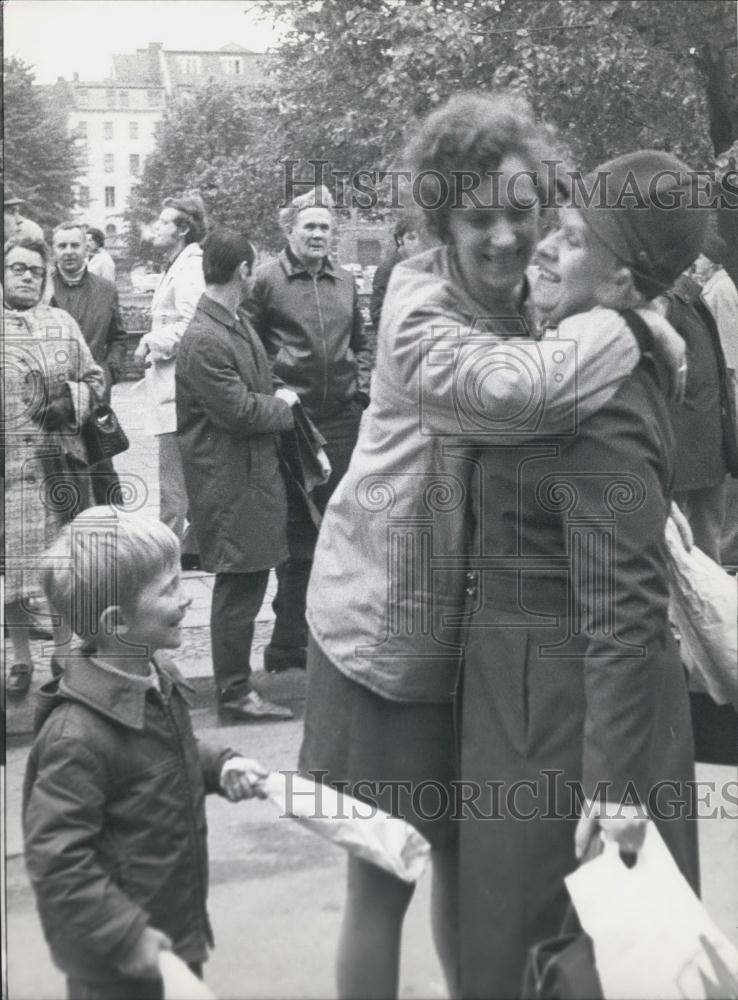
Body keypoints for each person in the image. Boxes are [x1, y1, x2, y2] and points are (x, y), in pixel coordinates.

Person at [299, 94, 688, 999]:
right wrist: (635, 324)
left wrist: (634, 310)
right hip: (383, 637)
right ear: (441, 220)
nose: (509, 237)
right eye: (480, 217)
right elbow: (513, 393)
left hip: (469, 642)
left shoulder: (528, 300)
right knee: (384, 874)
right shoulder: (416, 308)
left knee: (464, 861)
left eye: (525, 211)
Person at [458, 150, 706, 998]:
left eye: (568, 237)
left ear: (624, 278)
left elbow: (625, 611)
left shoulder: (599, 410)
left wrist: (614, 789)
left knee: (575, 958)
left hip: (565, 729)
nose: (543, 249)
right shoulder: (586, 354)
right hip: (540, 701)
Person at [23, 507, 269, 1000]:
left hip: (173, 929)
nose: (186, 599)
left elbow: (169, 753)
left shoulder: (156, 678)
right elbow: (58, 861)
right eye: (169, 589)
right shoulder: (76, 738)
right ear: (117, 621)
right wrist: (128, 937)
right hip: (119, 959)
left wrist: (220, 766)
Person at [246, 186, 372, 673]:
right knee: (299, 532)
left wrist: (358, 390)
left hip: (341, 420)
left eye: (325, 226)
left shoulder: (345, 281)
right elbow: (251, 348)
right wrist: (279, 392)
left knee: (339, 528)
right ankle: (287, 641)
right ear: (289, 231)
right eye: (309, 226)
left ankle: (330, 632)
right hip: (293, 425)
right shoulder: (266, 281)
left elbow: (361, 344)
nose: (318, 233)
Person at [176, 231, 297, 722]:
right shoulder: (205, 337)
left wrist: (275, 390)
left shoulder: (228, 323)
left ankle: (237, 687)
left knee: (247, 581)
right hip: (229, 482)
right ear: (244, 271)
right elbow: (240, 411)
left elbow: (256, 383)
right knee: (238, 586)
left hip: (247, 477)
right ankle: (234, 691)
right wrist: (283, 405)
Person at [3, 236, 105, 697]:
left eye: (34, 271)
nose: (26, 276)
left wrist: (71, 402)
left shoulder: (61, 323)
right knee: (14, 569)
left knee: (60, 565)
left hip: (56, 467)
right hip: (8, 469)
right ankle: (20, 655)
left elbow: (94, 378)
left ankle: (64, 649)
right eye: (16, 268)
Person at [134, 193, 206, 564]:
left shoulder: (191, 267)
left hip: (178, 388)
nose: (157, 227)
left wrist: (151, 341)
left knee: (173, 484)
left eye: (164, 221)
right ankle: (198, 547)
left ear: (182, 229)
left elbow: (192, 325)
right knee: (183, 478)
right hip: (171, 387)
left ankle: (164, 560)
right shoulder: (177, 264)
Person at [50, 221, 128, 504]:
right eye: (62, 246)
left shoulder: (105, 289)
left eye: (75, 245)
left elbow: (119, 337)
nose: (69, 252)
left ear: (87, 248)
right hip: (55, 398)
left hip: (95, 395)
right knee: (60, 471)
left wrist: (110, 372)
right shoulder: (43, 291)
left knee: (102, 467)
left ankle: (118, 532)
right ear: (53, 250)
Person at [662, 268, 736, 562]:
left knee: (705, 538)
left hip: (704, 441)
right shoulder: (673, 299)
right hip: (685, 443)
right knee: (687, 542)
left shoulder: (690, 296)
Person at [368, 216, 423, 330]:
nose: (417, 244)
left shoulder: (422, 265)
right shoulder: (388, 269)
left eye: (421, 238)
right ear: (399, 240)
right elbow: (378, 315)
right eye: (411, 238)